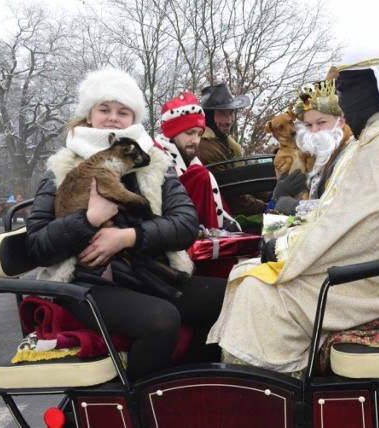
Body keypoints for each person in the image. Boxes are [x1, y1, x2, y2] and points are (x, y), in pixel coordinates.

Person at [207, 47, 379, 377]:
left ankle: (277, 398)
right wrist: (287, 235)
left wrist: (284, 247)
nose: (339, 101)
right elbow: (342, 214)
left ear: (374, 88)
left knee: (256, 294)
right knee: (251, 273)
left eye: (343, 90)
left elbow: (357, 231)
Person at [25, 68, 226, 381]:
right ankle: (135, 405)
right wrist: (88, 219)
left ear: (133, 119)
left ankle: (186, 386)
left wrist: (128, 237)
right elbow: (37, 246)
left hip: (147, 271)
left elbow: (186, 224)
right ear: (89, 116)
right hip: (87, 283)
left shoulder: (154, 164)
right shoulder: (63, 169)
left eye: (123, 112)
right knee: (161, 320)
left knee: (235, 296)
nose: (113, 118)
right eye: (104, 109)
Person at [155, 92, 240, 231]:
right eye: (189, 133)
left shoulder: (192, 160)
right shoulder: (156, 159)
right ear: (172, 132)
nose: (196, 141)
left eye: (199, 134)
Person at [271, 79, 356, 216]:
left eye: (321, 122)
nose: (314, 130)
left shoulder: (353, 152)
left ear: (340, 122)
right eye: (308, 125)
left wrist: (296, 207)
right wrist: (277, 194)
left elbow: (347, 206)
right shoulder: (318, 154)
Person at [197, 83, 267, 216]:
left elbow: (246, 178)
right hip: (222, 219)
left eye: (231, 114)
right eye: (222, 114)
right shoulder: (205, 147)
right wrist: (267, 208)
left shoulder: (227, 143)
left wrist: (273, 195)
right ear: (209, 116)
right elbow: (233, 196)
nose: (229, 121)